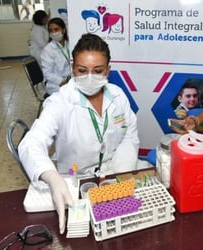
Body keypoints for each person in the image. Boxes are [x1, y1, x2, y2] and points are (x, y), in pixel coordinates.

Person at [19, 33, 140, 235]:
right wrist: (52, 177)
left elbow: (129, 136)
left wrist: (120, 176)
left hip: (112, 173)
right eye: (82, 71)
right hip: (76, 180)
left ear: (108, 70)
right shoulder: (60, 102)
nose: (90, 77)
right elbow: (31, 143)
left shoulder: (118, 96)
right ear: (73, 68)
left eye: (98, 70)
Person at [40, 17, 71, 96]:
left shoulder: (70, 44)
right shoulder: (48, 50)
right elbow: (47, 73)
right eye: (51, 31)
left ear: (63, 30)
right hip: (55, 84)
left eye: (56, 29)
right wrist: (61, 81)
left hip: (70, 79)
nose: (53, 33)